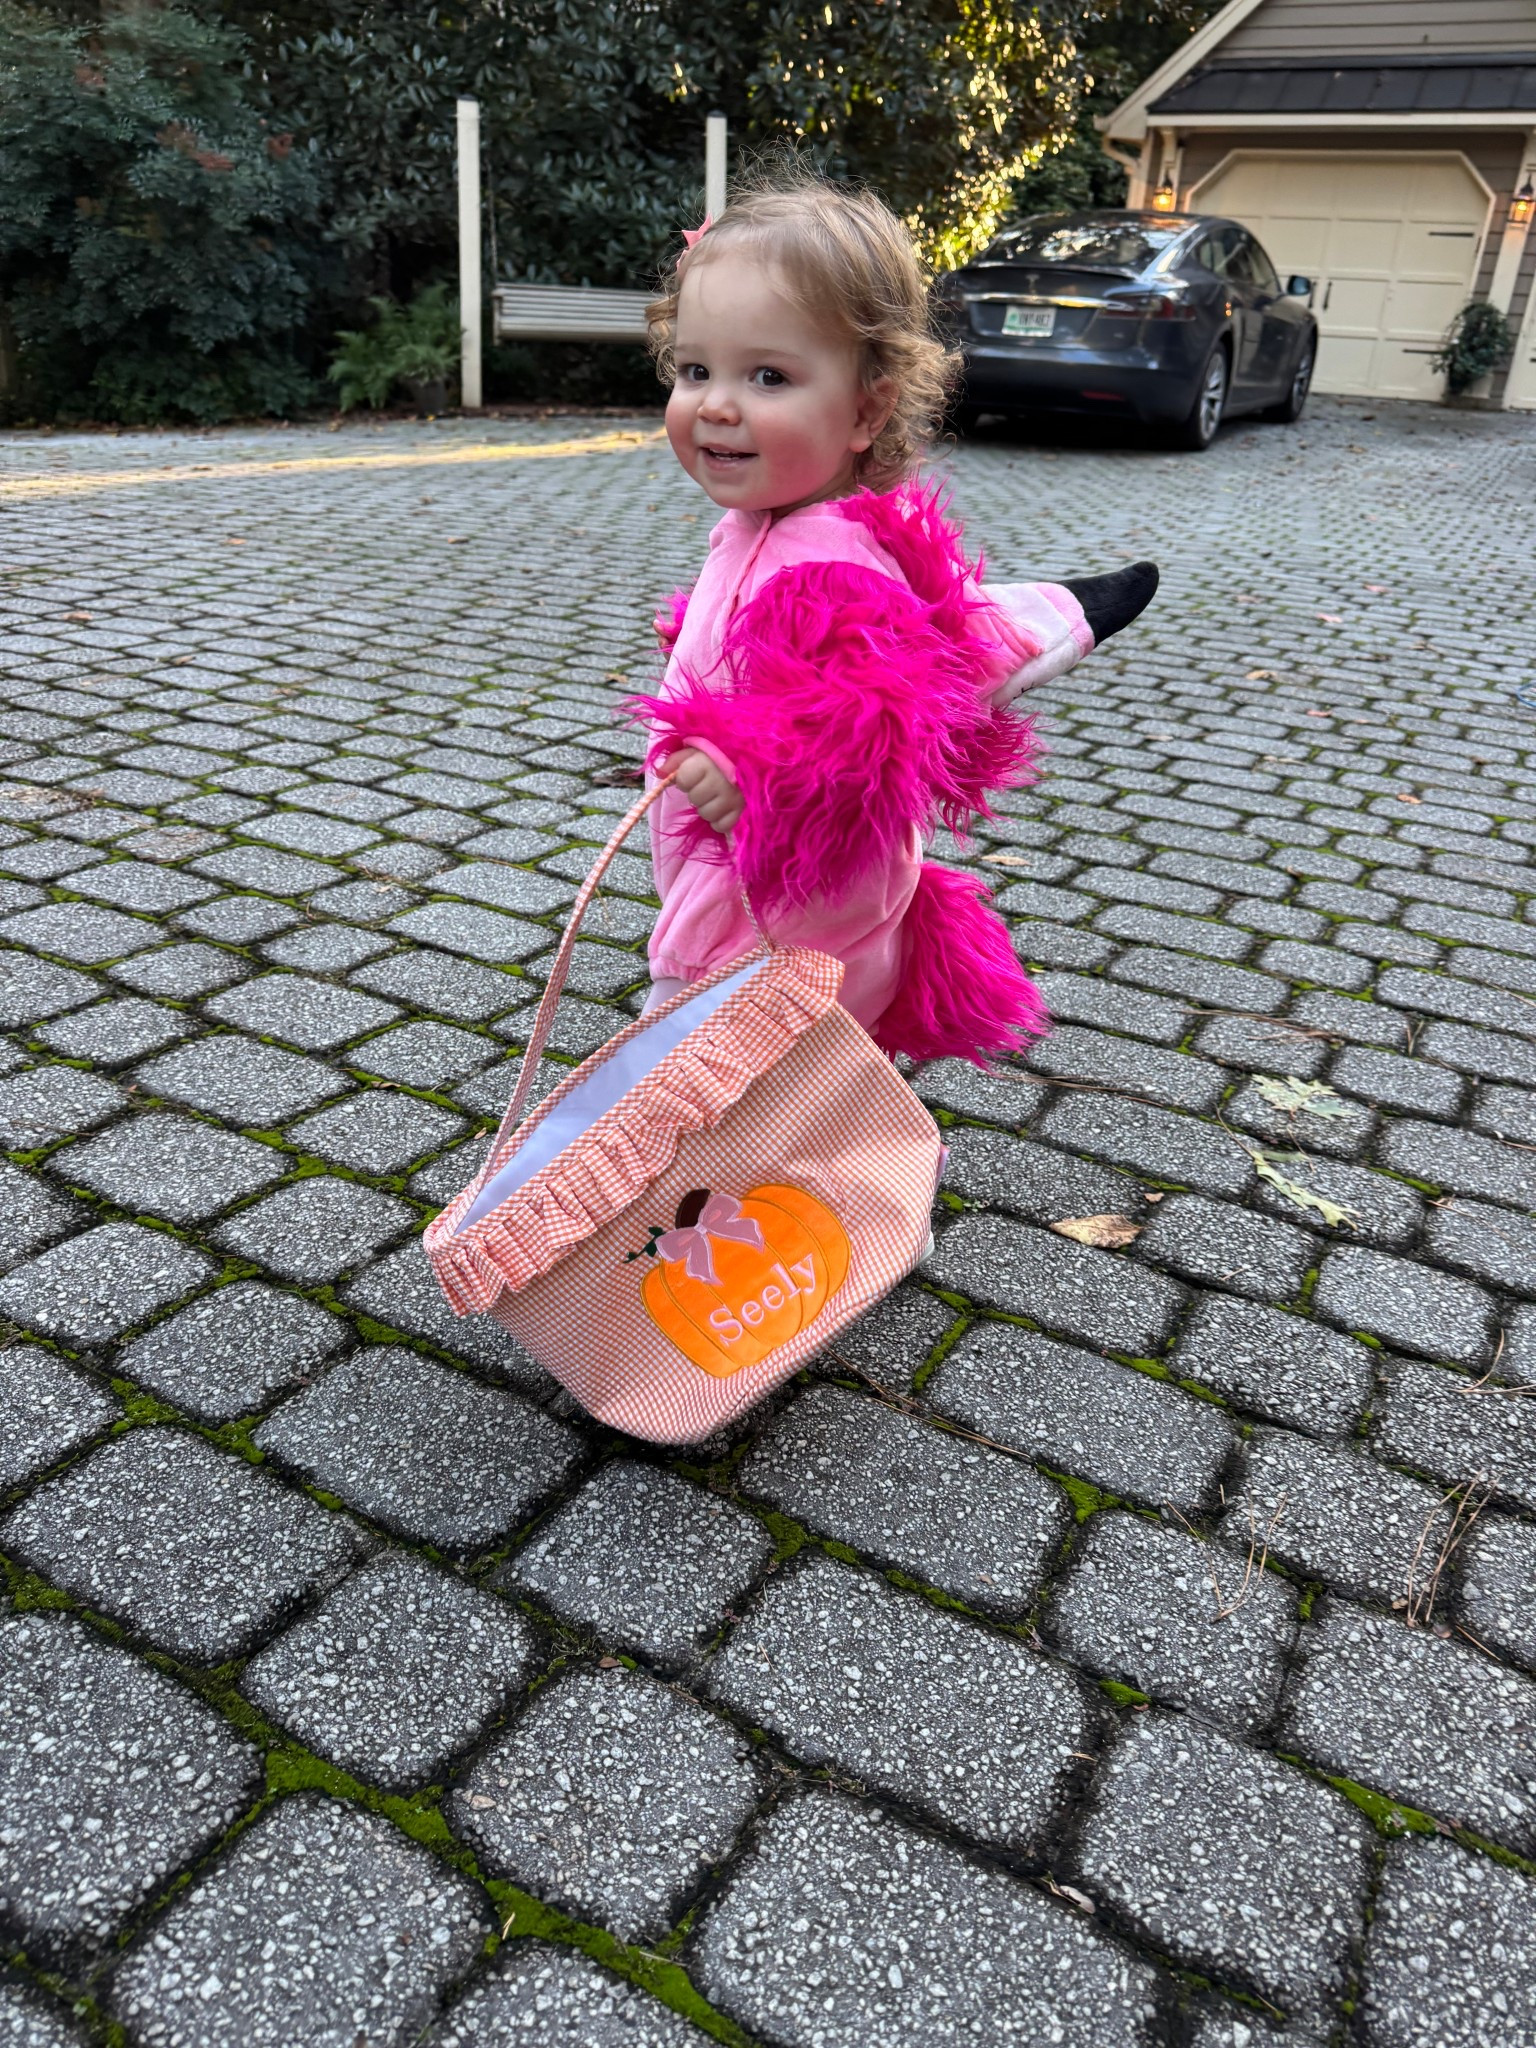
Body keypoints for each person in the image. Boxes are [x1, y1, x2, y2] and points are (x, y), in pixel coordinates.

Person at [632, 166, 1156, 1064]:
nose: (715, 403)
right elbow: (792, 648)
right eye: (694, 369)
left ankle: (789, 1198)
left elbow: (867, 726)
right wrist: (704, 640)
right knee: (783, 1094)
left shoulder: (832, 566)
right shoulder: (771, 522)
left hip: (775, 927)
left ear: (867, 409)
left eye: (767, 375)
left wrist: (748, 759)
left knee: (705, 1095)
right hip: (766, 898)